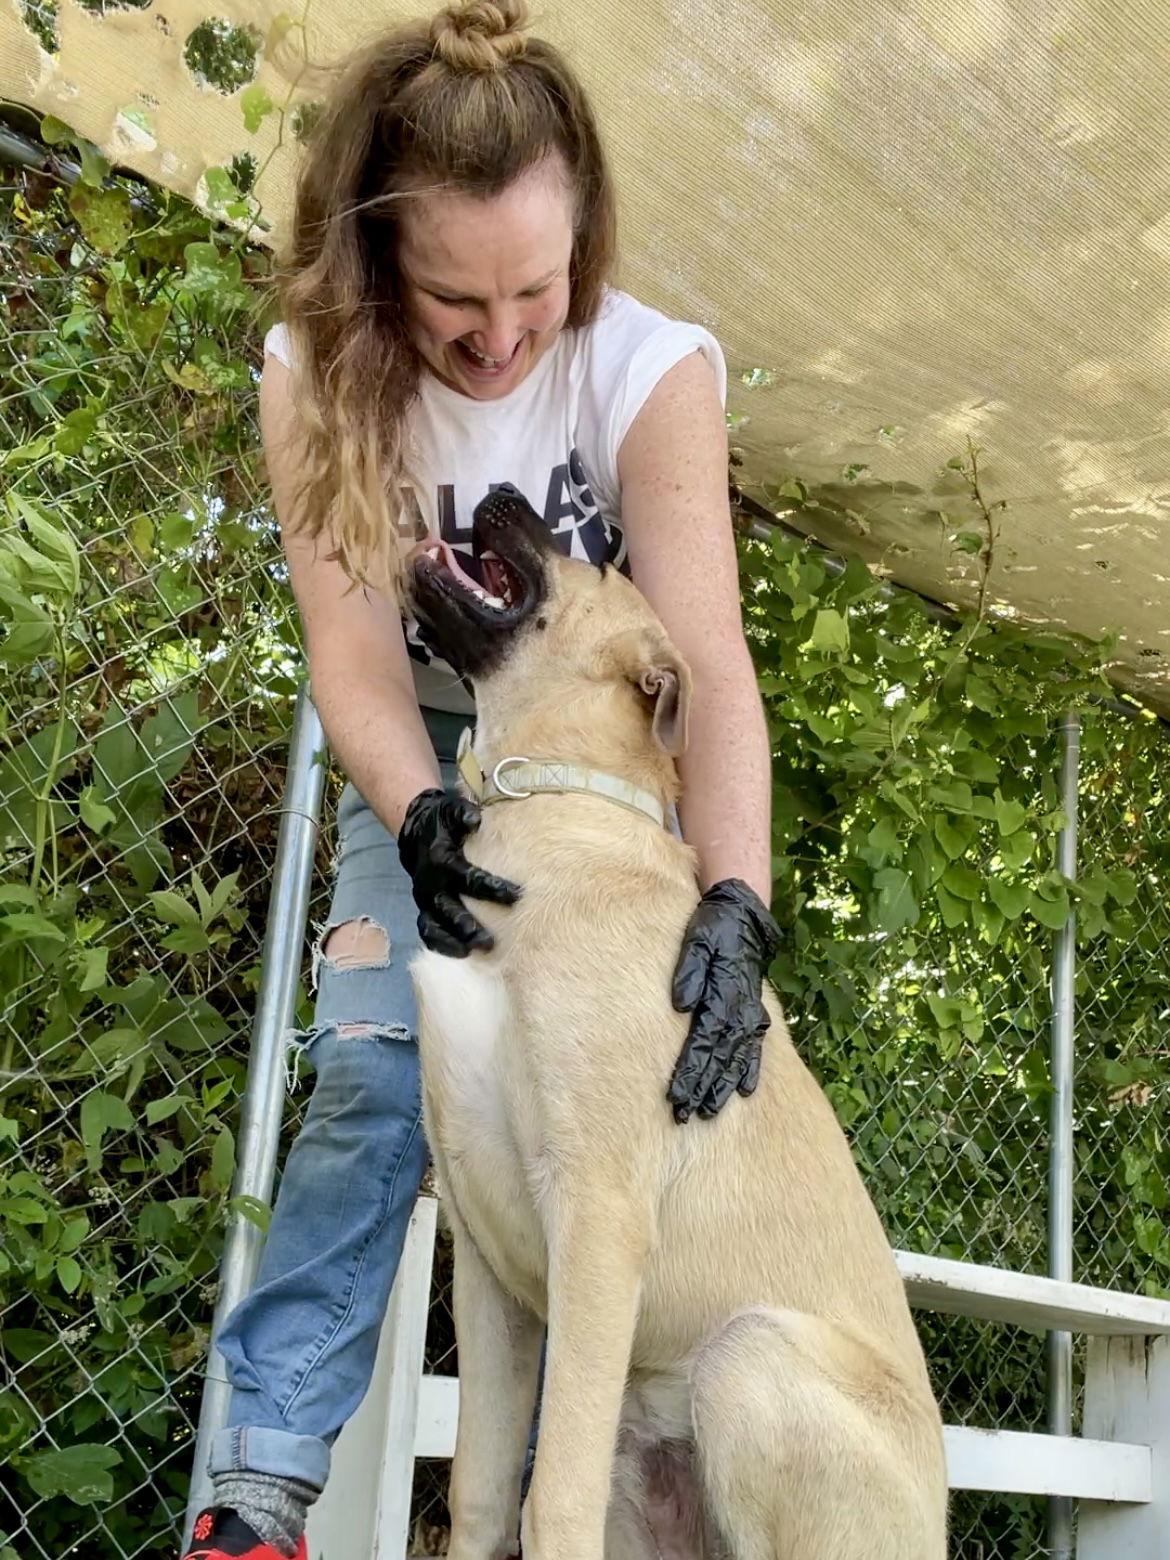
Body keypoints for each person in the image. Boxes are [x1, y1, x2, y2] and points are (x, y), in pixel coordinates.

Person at [182, 3, 779, 1556]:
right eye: (454, 299)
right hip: (430, 740)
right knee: (380, 1073)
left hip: (595, 753)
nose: (503, 337)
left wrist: (737, 906)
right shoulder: (316, 370)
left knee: (650, 1095)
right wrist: (418, 810)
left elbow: (700, 675)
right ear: (375, 261)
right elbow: (358, 660)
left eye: (538, 288)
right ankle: (254, 1494)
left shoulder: (651, 371)